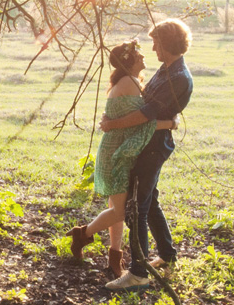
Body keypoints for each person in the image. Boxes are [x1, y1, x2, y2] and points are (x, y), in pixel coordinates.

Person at [67, 41, 177, 281]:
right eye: (138, 53)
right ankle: (83, 233)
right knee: (121, 210)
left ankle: (114, 255)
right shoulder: (129, 83)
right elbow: (140, 121)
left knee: (116, 206)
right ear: (129, 61)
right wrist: (170, 124)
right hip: (117, 154)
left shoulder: (130, 82)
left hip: (120, 151)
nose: (143, 55)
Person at [101, 18, 193, 290]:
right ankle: (167, 254)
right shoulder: (167, 70)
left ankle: (138, 272)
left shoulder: (178, 78)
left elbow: (144, 115)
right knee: (149, 201)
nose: (153, 49)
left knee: (136, 208)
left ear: (168, 44)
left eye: (156, 43)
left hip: (153, 147)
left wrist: (111, 125)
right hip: (145, 143)